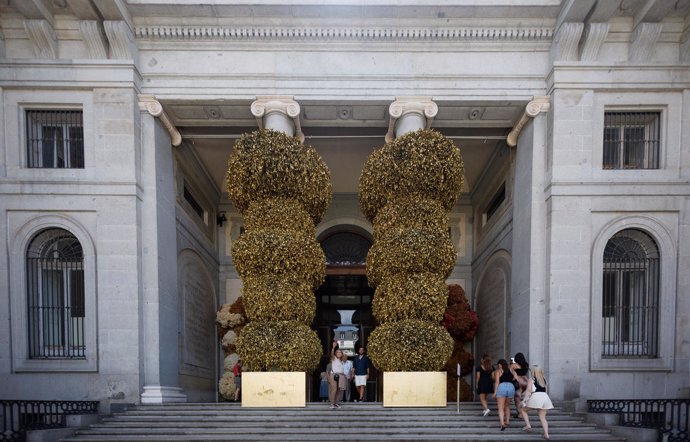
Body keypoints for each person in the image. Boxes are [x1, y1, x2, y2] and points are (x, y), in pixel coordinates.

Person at [519, 365, 554, 440]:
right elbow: (546, 390)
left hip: (536, 397)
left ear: (533, 372)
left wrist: (524, 401)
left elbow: (528, 392)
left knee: (523, 410)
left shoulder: (531, 380)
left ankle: (528, 425)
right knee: (543, 418)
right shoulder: (544, 380)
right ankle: (546, 434)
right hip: (545, 397)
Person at [492, 358, 515, 431]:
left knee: (500, 407)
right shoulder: (511, 370)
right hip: (511, 387)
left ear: (499, 364)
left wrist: (495, 392)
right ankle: (507, 421)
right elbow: (514, 378)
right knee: (507, 406)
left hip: (502, 386)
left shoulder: (498, 371)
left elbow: (497, 382)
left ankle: (502, 423)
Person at [328, 340, 346, 409]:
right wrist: (333, 347)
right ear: (336, 353)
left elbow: (344, 356)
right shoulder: (334, 358)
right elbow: (332, 354)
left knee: (339, 390)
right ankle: (332, 404)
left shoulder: (342, 360)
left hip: (341, 376)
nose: (338, 353)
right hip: (334, 375)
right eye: (337, 352)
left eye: (340, 352)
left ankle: (336, 403)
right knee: (334, 389)